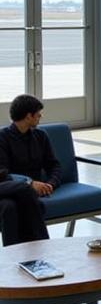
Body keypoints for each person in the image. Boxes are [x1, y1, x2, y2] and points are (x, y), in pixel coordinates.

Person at [0, 95, 54, 246]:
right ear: (28, 116)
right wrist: (29, 183)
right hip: (5, 186)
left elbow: (54, 165)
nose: (40, 117)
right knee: (24, 189)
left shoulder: (41, 136)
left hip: (17, 195)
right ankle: (43, 246)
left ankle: (15, 257)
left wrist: (50, 185)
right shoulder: (2, 138)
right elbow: (2, 174)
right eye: (38, 114)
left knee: (9, 207)